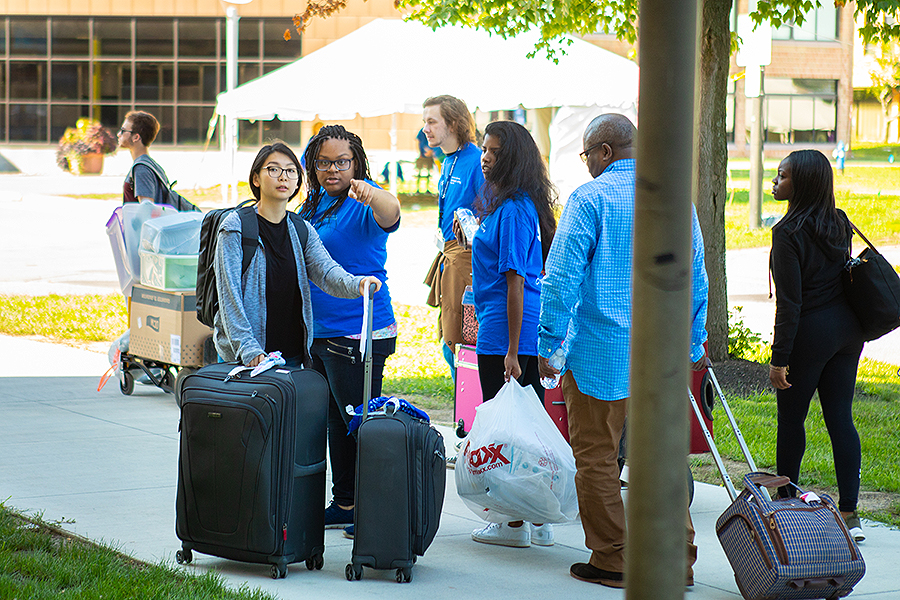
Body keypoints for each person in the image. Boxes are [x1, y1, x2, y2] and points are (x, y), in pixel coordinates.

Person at [538, 114, 708, 588]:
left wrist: (548, 344)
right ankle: (676, 561)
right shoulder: (676, 199)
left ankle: (614, 558)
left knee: (597, 457)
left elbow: (561, 279)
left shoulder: (589, 199)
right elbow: (697, 279)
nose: (587, 163)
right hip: (662, 359)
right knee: (662, 460)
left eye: (587, 154)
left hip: (599, 354)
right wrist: (693, 343)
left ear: (605, 151)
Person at [299, 125, 401, 539]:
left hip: (359, 331)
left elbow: (392, 212)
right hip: (320, 331)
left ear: (356, 162)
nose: (333, 170)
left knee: (359, 423)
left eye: (342, 162)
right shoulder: (315, 202)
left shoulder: (364, 201)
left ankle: (373, 508)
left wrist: (371, 193)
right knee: (335, 423)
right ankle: (345, 503)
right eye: (323, 162)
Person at [461, 120, 558, 548]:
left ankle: (513, 522)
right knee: (526, 426)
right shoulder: (513, 205)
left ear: (513, 158)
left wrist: (514, 351)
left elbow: (515, 281)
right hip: (509, 330)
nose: (485, 157)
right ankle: (536, 520)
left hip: (506, 333)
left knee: (508, 433)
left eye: (494, 152)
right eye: (484, 149)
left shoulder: (516, 209)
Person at [213, 141, 381, 369]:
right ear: (256, 179)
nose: (283, 177)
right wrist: (247, 347)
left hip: (290, 355)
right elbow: (228, 295)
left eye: (291, 171)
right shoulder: (236, 227)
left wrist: (357, 284)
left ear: (297, 182)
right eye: (273, 169)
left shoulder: (301, 228)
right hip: (247, 357)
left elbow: (326, 272)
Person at [769, 149, 865, 542]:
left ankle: (785, 503)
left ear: (803, 183)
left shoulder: (787, 232)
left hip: (810, 334)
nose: (775, 181)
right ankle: (850, 513)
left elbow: (790, 303)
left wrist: (779, 359)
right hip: (848, 332)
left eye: (782, 175)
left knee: (792, 420)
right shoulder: (838, 221)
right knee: (841, 418)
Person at [422, 95, 485, 379]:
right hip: (447, 253)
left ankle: (470, 400)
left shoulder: (477, 161)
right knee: (448, 337)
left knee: (460, 341)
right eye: (425, 121)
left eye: (432, 121)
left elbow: (489, 214)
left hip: (467, 260)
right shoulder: (448, 160)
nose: (425, 128)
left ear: (454, 124)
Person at [118, 110, 170, 204]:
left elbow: (147, 208)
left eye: (123, 131)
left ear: (136, 137)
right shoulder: (152, 165)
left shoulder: (141, 168)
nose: (119, 134)